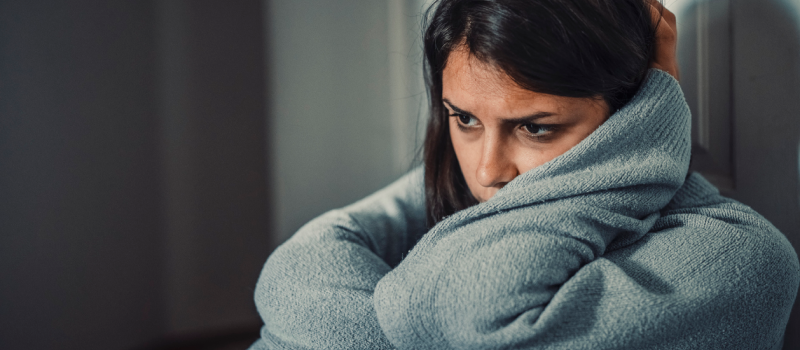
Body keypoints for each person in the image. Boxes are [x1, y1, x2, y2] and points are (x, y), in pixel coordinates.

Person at [249, 0, 800, 349]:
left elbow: (459, 312)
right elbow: (307, 259)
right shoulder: (455, 186)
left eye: (536, 128)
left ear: (637, 114)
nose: (488, 171)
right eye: (464, 119)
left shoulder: (742, 259)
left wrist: (657, 114)